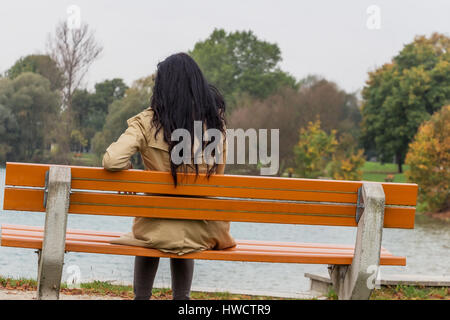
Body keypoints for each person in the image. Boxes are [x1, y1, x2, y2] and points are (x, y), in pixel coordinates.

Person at [102, 53, 236, 300]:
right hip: (202, 230)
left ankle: (141, 297)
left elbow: (112, 160)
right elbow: (218, 177)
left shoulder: (147, 123)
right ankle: (182, 298)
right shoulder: (215, 125)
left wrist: (129, 170)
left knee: (150, 233)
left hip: (154, 229)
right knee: (184, 228)